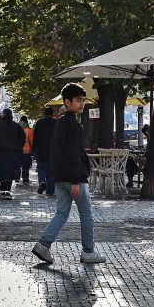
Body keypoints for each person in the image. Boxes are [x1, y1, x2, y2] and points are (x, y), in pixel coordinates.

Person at [31, 83, 106, 265]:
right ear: (67, 102)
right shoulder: (73, 125)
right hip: (74, 179)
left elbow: (57, 152)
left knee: (62, 213)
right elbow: (73, 154)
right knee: (86, 213)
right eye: (78, 100)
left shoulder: (61, 123)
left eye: (83, 100)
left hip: (60, 177)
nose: (82, 104)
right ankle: (88, 251)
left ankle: (43, 245)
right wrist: (75, 180)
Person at [0, 109, 25, 200]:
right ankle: (8, 190)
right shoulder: (16, 126)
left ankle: (3, 190)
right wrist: (18, 147)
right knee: (10, 171)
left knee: (0, 171)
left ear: (3, 115)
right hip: (13, 153)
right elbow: (22, 138)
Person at [32, 107, 57, 195]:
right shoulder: (56, 123)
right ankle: (50, 190)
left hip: (41, 150)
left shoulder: (39, 123)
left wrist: (34, 149)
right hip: (53, 150)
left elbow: (35, 137)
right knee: (51, 171)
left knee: (41, 168)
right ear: (52, 114)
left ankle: (42, 181)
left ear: (44, 113)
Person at [19, 115, 34, 184]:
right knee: (25, 166)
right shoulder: (29, 130)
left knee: (18, 165)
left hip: (18, 150)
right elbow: (32, 141)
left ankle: (17, 177)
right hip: (27, 151)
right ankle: (25, 178)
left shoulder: (17, 129)